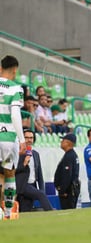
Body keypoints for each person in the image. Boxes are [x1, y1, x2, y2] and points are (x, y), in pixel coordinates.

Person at [0, 55, 26, 220]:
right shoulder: (16, 88)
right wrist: (22, 140)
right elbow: (16, 114)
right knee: (10, 173)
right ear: (15, 70)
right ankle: (9, 213)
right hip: (9, 137)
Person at [16, 129, 53, 212]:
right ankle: (51, 213)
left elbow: (39, 174)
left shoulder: (35, 154)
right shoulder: (17, 153)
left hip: (32, 185)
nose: (29, 140)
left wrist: (42, 190)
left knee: (25, 212)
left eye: (31, 138)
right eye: (26, 137)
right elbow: (12, 170)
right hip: (22, 185)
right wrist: (24, 163)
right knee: (40, 194)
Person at [54, 134, 80, 210]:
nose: (61, 142)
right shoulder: (71, 154)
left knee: (68, 210)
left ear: (68, 143)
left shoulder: (69, 156)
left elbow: (67, 175)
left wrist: (63, 190)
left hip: (68, 191)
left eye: (63, 141)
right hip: (72, 189)